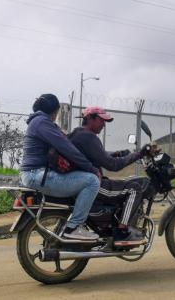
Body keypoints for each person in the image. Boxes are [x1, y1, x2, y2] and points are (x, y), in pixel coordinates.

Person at [20, 94, 102, 241]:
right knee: (92, 181)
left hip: (35, 174)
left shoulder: (39, 122)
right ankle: (74, 227)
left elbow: (66, 138)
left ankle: (73, 222)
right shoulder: (42, 122)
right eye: (57, 113)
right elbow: (67, 147)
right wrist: (92, 168)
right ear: (54, 111)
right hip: (38, 175)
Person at [70, 106, 149, 246]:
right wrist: (139, 154)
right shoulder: (89, 137)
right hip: (92, 184)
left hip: (80, 180)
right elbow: (113, 165)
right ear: (90, 119)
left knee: (123, 185)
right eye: (101, 120)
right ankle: (122, 232)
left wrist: (118, 154)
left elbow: (98, 157)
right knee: (134, 188)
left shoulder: (78, 134)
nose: (104, 125)